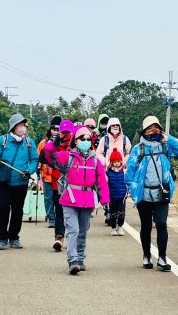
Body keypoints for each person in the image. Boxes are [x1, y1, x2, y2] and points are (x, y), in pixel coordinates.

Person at [125, 116, 178, 271]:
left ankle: (162, 257)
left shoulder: (166, 146)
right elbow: (129, 174)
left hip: (162, 192)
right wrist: (134, 192)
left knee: (161, 224)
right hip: (144, 194)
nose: (153, 131)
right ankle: (146, 255)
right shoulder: (138, 149)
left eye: (156, 128)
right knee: (146, 226)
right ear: (144, 131)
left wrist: (167, 139)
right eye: (150, 129)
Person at [44, 125, 109, 275]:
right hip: (70, 200)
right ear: (75, 141)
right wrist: (56, 141)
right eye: (82, 138)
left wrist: (105, 201)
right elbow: (49, 154)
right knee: (73, 230)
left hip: (87, 201)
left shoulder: (95, 161)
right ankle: (73, 260)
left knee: (82, 232)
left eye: (88, 139)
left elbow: (101, 183)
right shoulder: (67, 157)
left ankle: (80, 258)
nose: (85, 141)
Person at [0, 113, 38, 250]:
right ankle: (3, 238)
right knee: (3, 207)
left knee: (17, 210)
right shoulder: (1, 140)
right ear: (13, 127)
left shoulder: (29, 143)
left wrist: (29, 171)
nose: (23, 128)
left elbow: (34, 160)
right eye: (20, 125)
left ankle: (14, 237)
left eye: (24, 125)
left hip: (21, 182)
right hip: (4, 181)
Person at [42, 120, 73, 252]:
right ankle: (59, 237)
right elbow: (43, 158)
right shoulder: (53, 143)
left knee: (72, 214)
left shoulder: (77, 145)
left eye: (68, 132)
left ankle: (72, 239)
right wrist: (54, 144)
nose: (65, 135)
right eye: (63, 132)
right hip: (57, 184)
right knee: (59, 212)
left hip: (74, 185)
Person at [38, 116, 62, 228]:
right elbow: (38, 157)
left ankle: (58, 217)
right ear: (50, 130)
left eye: (58, 130)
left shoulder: (62, 142)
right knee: (48, 197)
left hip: (59, 175)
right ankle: (51, 217)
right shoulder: (43, 143)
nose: (56, 132)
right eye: (54, 129)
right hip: (46, 174)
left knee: (58, 197)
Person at [107, 148, 127, 236]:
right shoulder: (108, 173)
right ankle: (113, 228)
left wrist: (128, 193)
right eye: (114, 162)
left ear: (121, 162)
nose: (116, 163)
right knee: (112, 213)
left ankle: (121, 227)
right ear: (111, 163)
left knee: (122, 212)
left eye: (118, 161)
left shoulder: (124, 172)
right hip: (112, 197)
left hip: (122, 197)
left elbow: (127, 183)